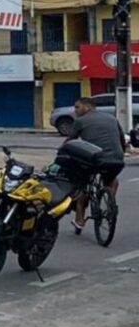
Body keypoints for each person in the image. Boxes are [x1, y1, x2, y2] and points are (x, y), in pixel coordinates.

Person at [65, 96, 127, 234]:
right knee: (112, 180)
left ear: (87, 107)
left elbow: (70, 141)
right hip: (117, 160)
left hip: (94, 160)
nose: (75, 110)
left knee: (83, 186)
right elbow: (121, 139)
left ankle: (79, 220)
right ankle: (110, 202)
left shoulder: (80, 121)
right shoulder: (111, 118)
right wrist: (121, 153)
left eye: (77, 107)